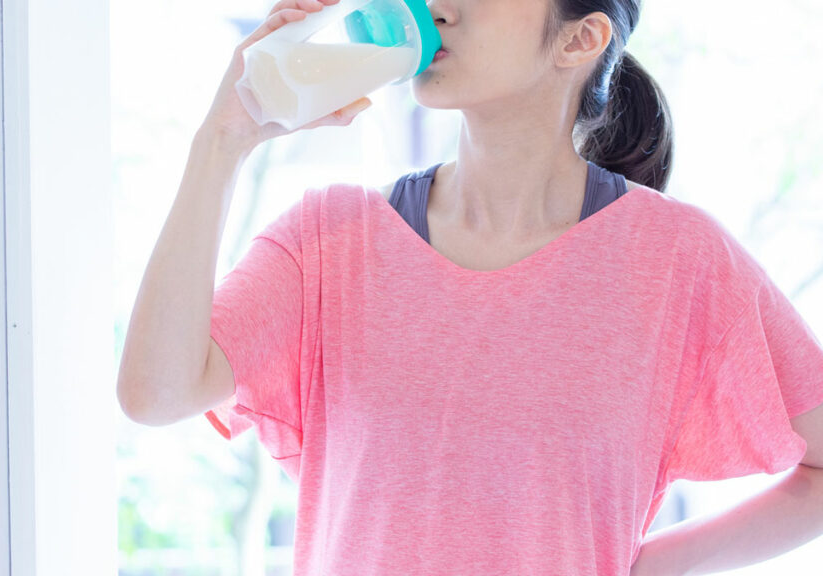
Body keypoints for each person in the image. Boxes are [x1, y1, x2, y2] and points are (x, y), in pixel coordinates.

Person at [117, 1, 823, 574]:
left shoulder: (678, 260)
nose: (436, 8)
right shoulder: (329, 240)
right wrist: (224, 140)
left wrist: (652, 566)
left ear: (580, 40)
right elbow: (155, 393)